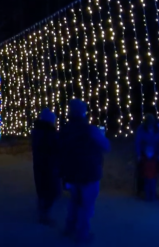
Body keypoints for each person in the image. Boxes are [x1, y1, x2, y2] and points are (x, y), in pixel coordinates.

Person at [59, 99, 110, 244]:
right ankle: (82, 235)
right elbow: (106, 146)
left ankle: (69, 228)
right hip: (89, 172)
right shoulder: (90, 130)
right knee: (86, 206)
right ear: (83, 112)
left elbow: (60, 150)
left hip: (72, 173)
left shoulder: (65, 130)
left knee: (74, 202)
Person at [31, 108, 60, 226]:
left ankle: (41, 212)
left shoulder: (37, 131)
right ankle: (44, 215)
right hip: (50, 165)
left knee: (42, 189)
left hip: (39, 164)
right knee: (52, 190)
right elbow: (55, 148)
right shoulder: (49, 134)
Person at [135, 114, 159, 201]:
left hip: (155, 153)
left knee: (154, 172)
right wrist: (139, 154)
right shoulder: (141, 129)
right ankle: (142, 190)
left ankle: (153, 192)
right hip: (144, 152)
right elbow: (138, 142)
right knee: (143, 171)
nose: (150, 127)